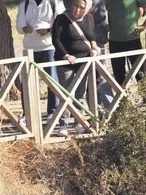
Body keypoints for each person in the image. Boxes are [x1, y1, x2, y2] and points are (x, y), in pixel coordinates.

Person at [52, 0, 98, 136]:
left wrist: (94, 46)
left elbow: (91, 35)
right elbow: (56, 39)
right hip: (66, 62)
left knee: (80, 93)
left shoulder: (89, 19)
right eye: (76, 6)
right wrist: (66, 55)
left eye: (81, 7)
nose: (78, 9)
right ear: (71, 5)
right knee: (66, 93)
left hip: (83, 61)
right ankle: (63, 124)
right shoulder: (61, 19)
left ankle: (79, 122)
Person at [16, 0, 64, 120]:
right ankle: (27, 113)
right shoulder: (25, 4)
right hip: (30, 49)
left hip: (49, 48)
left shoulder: (55, 3)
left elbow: (61, 24)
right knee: (27, 83)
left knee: (52, 81)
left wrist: (47, 30)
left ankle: (52, 112)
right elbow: (19, 25)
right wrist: (24, 28)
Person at [106, 0, 146, 84]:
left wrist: (144, 25)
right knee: (119, 77)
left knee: (140, 75)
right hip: (114, 41)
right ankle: (122, 97)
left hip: (132, 40)